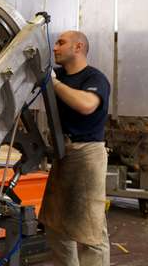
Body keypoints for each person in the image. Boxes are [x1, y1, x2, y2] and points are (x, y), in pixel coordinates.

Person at [38, 30, 111, 266]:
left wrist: (53, 83)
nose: (56, 48)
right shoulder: (56, 74)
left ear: (78, 47)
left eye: (61, 43)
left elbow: (86, 104)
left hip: (88, 155)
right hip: (63, 154)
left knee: (91, 230)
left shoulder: (94, 78)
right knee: (56, 225)